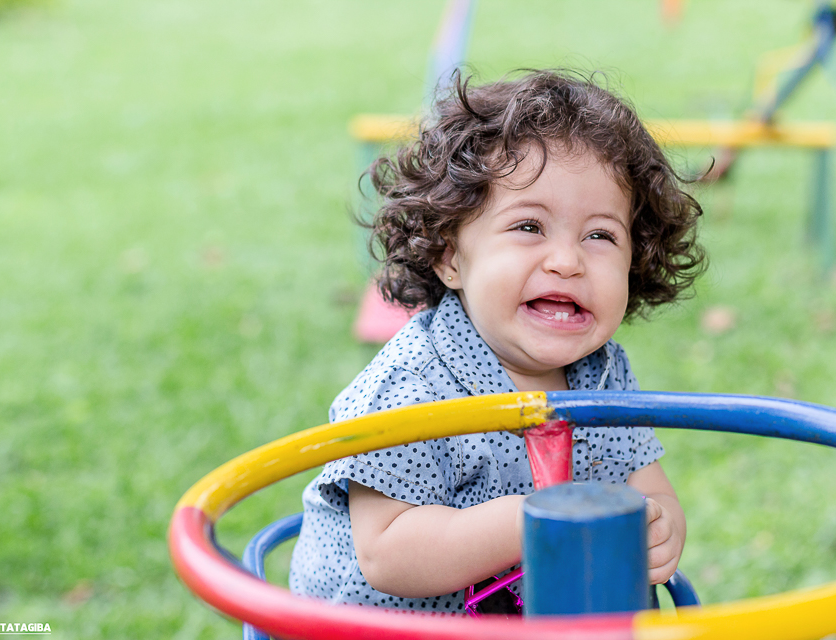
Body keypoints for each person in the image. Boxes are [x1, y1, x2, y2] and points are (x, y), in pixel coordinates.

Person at [289, 69, 705, 614]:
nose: (566, 261)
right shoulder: (412, 383)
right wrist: (533, 517)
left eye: (600, 235)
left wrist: (659, 527)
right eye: (529, 227)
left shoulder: (603, 375)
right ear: (450, 256)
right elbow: (388, 552)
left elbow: (648, 489)